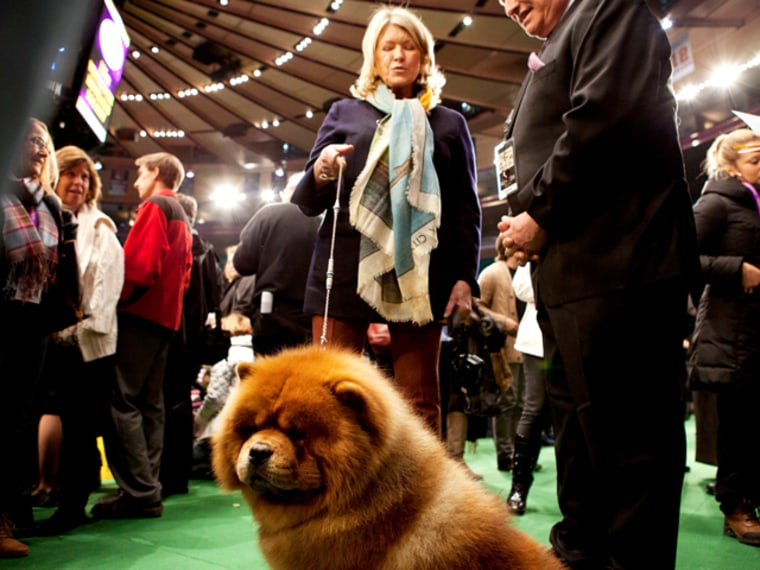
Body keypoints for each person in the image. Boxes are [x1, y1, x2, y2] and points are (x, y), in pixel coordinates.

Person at [496, 1, 700, 567]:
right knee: (579, 446)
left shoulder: (610, 8)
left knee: (630, 450)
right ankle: (579, 555)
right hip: (570, 275)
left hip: (621, 269)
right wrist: (524, 224)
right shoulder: (562, 37)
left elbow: (605, 119)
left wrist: (539, 211)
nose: (509, 4)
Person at [291, 6, 481, 435]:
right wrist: (322, 168)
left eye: (408, 46)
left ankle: (418, 500)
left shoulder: (449, 123)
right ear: (373, 57)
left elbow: (466, 210)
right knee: (328, 393)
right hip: (343, 271)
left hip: (420, 274)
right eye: (388, 47)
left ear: (424, 58)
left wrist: (466, 279)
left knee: (419, 404)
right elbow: (306, 199)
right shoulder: (344, 113)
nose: (398, 56)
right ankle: (333, 498)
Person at [92, 152, 192, 519]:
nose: (135, 182)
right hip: (166, 319)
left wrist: (114, 303)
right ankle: (148, 487)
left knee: (122, 403)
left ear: (155, 173)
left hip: (139, 315)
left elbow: (140, 268)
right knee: (151, 405)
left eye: (139, 173)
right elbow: (184, 274)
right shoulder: (179, 210)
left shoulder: (155, 206)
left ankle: (139, 492)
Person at [32, 145, 124, 535]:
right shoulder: (45, 217)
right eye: (71, 174)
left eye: (85, 177)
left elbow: (102, 304)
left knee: (81, 430)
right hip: (51, 341)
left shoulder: (100, 227)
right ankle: (52, 493)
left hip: (86, 346)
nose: (78, 182)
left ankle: (72, 505)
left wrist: (65, 334)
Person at [0, 118, 71, 558]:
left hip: (31, 326)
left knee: (14, 424)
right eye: (29, 139)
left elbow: (59, 272)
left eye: (44, 142)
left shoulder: (51, 205)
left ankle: (3, 520)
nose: (39, 148)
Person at [687, 128, 760, 546]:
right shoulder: (714, 203)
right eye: (754, 161)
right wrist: (736, 269)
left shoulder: (756, 202)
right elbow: (685, 257)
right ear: (730, 165)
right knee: (738, 427)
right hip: (731, 336)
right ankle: (736, 508)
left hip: (755, 330)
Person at [160, 193, 223, 498]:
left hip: (174, 335)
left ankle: (167, 475)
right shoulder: (208, 251)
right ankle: (178, 475)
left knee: (166, 404)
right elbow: (216, 296)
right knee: (181, 404)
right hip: (195, 339)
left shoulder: (184, 246)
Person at [232, 172, 319, 356]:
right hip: (313, 316)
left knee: (269, 376)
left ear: (288, 191)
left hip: (270, 313)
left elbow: (242, 263)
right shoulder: (326, 221)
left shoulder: (270, 213)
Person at [507, 261, 552, 515]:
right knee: (534, 409)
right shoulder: (537, 235)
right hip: (538, 342)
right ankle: (519, 487)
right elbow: (521, 286)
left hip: (577, 334)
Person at [477, 236, 522, 472]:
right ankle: (505, 455)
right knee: (506, 403)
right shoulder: (493, 272)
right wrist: (502, 321)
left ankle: (519, 453)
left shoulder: (525, 272)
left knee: (522, 404)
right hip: (502, 351)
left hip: (525, 348)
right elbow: (477, 305)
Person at [191, 312, 253, 480]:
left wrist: (198, 421)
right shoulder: (259, 354)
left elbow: (215, 398)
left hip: (220, 432)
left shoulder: (226, 356)